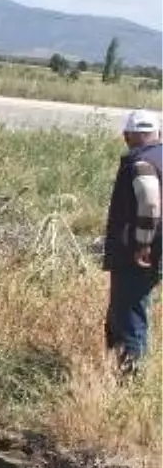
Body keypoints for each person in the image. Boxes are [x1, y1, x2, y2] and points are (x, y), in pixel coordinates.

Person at [102, 108, 163, 375]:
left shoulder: (140, 161)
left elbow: (149, 200)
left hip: (140, 252)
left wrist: (143, 243)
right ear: (158, 133)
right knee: (132, 309)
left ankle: (129, 382)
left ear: (127, 135)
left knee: (127, 315)